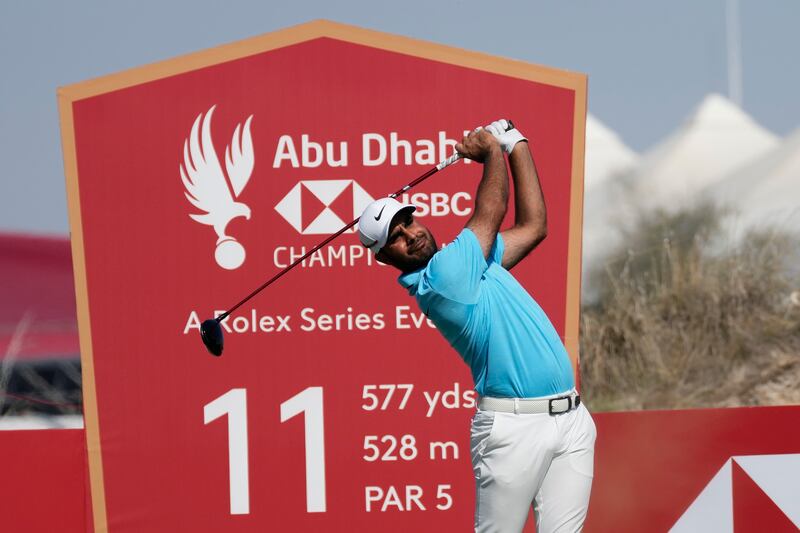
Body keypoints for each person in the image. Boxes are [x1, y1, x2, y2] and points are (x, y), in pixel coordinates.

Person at [358, 120, 596, 533]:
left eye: (409, 222)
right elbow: (491, 210)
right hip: (512, 429)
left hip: (571, 417)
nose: (411, 235)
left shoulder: (473, 262)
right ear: (384, 257)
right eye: (396, 237)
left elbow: (535, 226)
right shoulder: (442, 280)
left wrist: (516, 144)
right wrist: (489, 150)